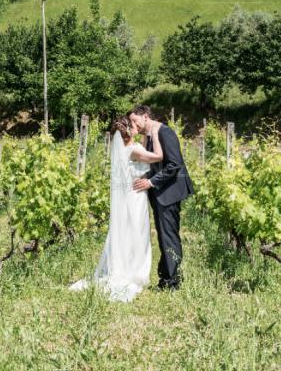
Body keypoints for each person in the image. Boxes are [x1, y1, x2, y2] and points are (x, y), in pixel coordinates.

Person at [69, 115, 163, 302]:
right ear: (129, 131)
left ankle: (130, 266)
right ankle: (135, 271)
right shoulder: (134, 150)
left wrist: (146, 137)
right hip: (136, 196)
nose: (137, 126)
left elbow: (140, 150)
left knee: (130, 231)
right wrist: (155, 134)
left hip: (130, 192)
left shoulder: (127, 148)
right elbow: (158, 156)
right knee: (137, 232)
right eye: (133, 125)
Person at [129, 105, 194, 290]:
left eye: (135, 120)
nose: (133, 124)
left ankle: (173, 282)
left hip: (169, 192)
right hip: (160, 193)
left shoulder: (165, 132)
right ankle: (166, 279)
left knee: (169, 237)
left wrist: (151, 183)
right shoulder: (150, 136)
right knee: (164, 237)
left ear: (146, 117)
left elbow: (174, 165)